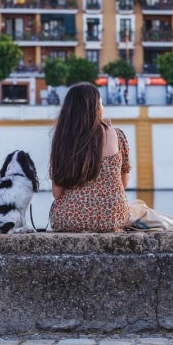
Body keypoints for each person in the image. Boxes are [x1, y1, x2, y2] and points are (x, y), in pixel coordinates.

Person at [49, 82, 131, 232]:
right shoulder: (117, 136)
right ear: (97, 108)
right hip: (111, 218)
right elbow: (122, 184)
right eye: (101, 103)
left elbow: (57, 194)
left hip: (68, 218)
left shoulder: (62, 140)